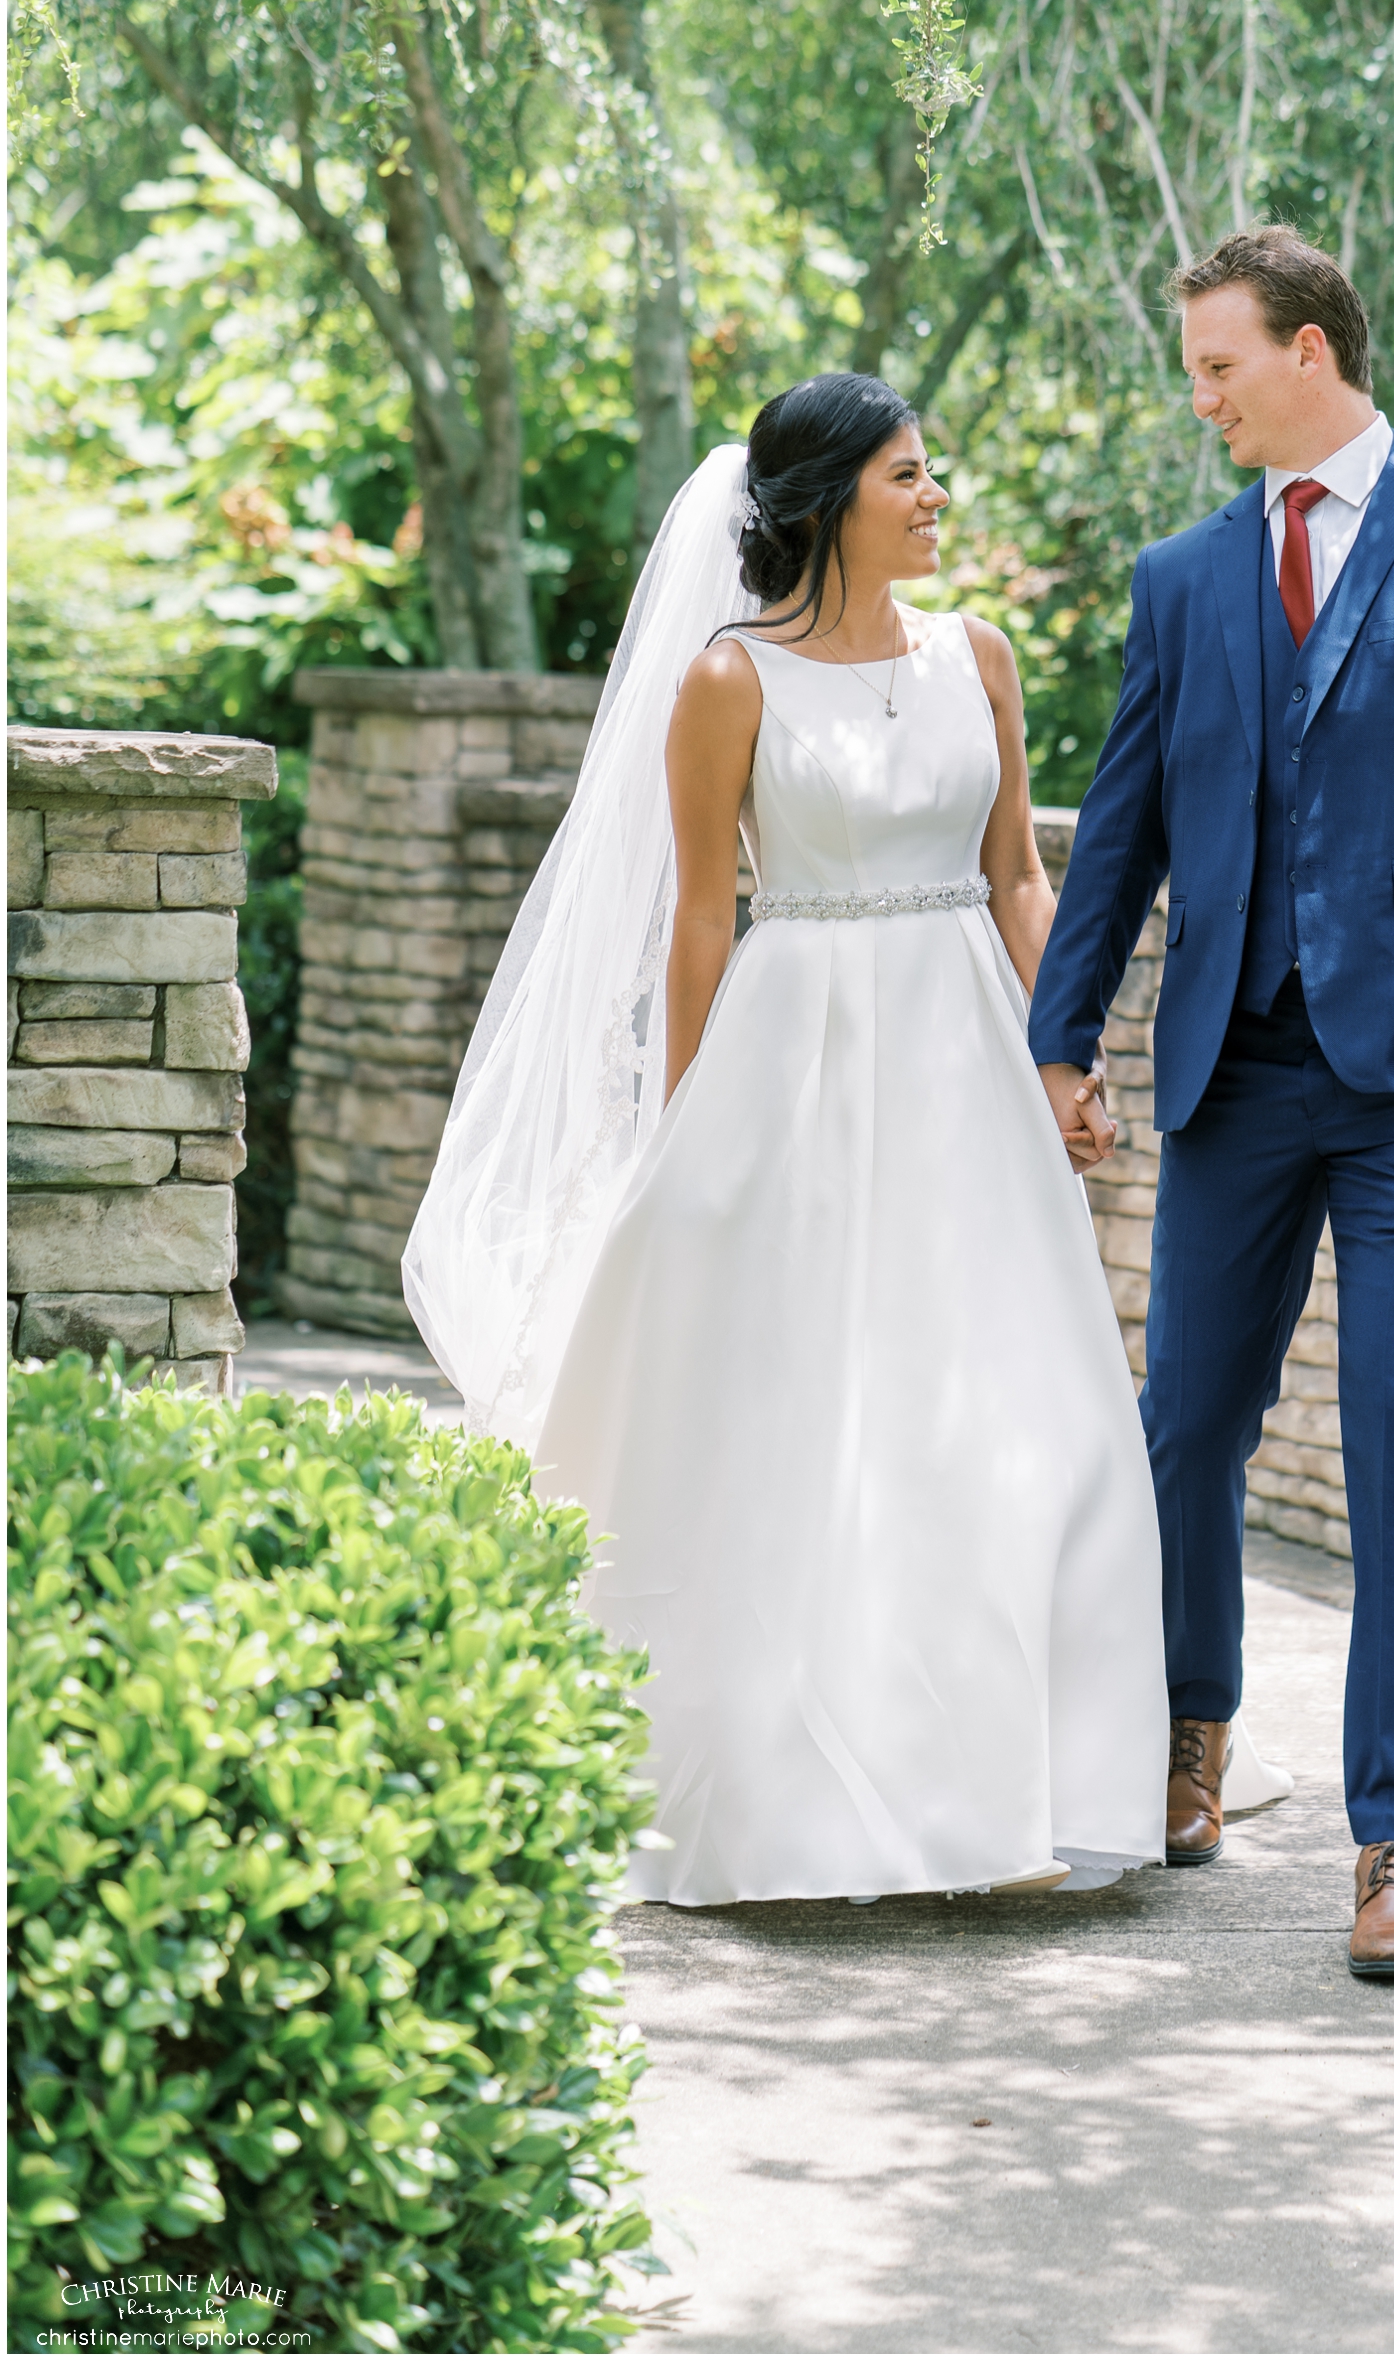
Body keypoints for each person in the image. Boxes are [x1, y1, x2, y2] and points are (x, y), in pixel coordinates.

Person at [406, 375, 1170, 1907]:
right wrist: (695, 1129)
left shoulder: (983, 658)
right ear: (828, 500)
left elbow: (1022, 876)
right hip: (800, 1052)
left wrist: (1065, 1055)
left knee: (1036, 1413)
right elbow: (702, 918)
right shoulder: (728, 682)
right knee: (809, 1418)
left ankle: (1028, 1782)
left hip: (967, 1052)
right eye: (908, 473)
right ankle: (797, 1791)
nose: (937, 494)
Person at [1030, 227, 1394, 1979]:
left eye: (1217, 364)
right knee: (1186, 1418)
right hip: (1234, 1068)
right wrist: (1066, 1033)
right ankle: (1192, 1731)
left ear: (1312, 350)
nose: (1197, 395)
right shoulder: (1184, 579)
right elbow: (1119, 830)